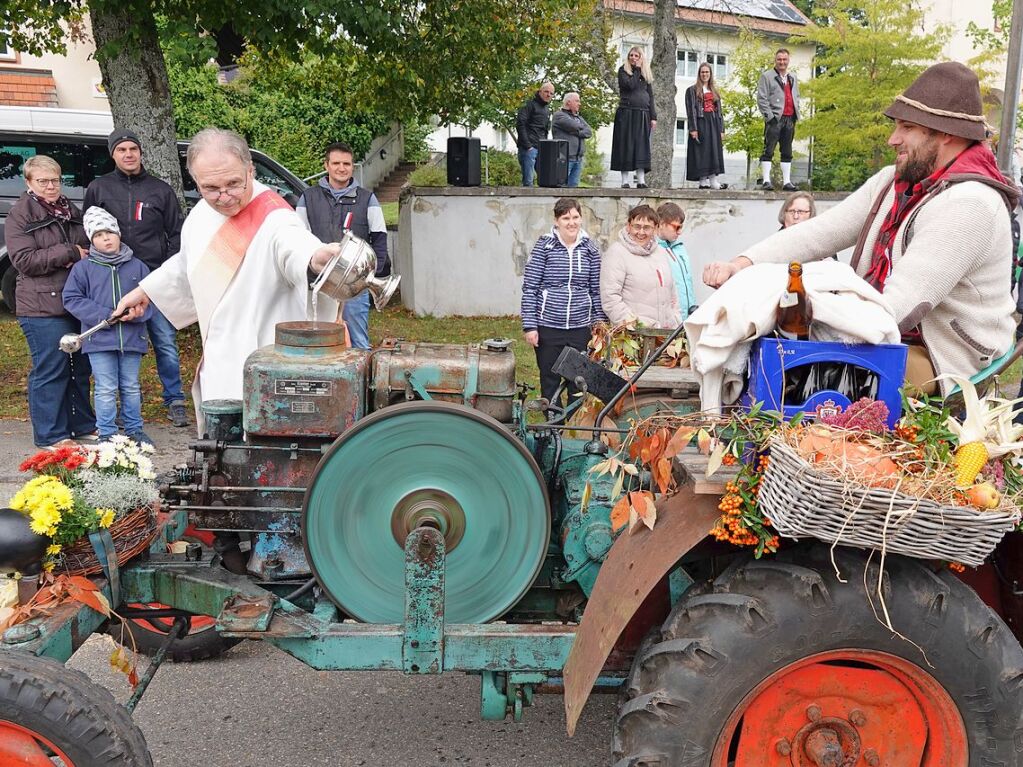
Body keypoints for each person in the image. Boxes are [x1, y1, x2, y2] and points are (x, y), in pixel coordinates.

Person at [704, 62, 1020, 396]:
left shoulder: (970, 204)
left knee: (820, 377)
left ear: (946, 134)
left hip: (946, 357)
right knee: (766, 352)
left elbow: (895, 308)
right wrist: (741, 264)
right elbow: (820, 232)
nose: (892, 139)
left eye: (907, 127)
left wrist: (809, 307)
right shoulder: (892, 181)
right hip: (890, 336)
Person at [111, 128, 342, 424]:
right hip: (220, 355)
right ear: (196, 181)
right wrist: (145, 292)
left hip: (265, 359)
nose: (224, 197)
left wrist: (315, 258)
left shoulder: (275, 216)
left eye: (233, 183)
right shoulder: (201, 215)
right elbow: (188, 264)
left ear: (250, 169)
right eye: (210, 188)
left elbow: (294, 246)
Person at [84, 129, 188, 427]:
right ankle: (117, 403)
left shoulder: (160, 189)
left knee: (165, 341)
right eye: (122, 150)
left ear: (141, 152)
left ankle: (175, 399)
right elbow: (89, 230)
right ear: (113, 154)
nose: (128, 154)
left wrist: (163, 269)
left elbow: (176, 233)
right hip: (113, 281)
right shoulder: (99, 188)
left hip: (154, 282)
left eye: (133, 149)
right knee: (114, 343)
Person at [4, 155, 96, 448]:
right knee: (51, 368)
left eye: (55, 180)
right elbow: (24, 260)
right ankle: (51, 434)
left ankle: (81, 425)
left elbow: (89, 245)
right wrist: (69, 253)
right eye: (43, 181)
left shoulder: (70, 209)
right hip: (40, 306)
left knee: (80, 367)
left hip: (75, 300)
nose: (51, 186)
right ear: (29, 183)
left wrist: (81, 253)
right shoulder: (21, 214)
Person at [63, 207, 153, 445]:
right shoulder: (83, 268)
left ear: (119, 234)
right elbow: (72, 299)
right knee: (105, 387)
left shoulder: (138, 266)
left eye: (110, 232)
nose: (106, 238)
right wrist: (106, 316)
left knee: (131, 386)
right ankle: (107, 433)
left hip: (132, 338)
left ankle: (134, 429)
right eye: (99, 235)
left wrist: (137, 313)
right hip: (99, 340)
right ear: (92, 239)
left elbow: (152, 297)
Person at [296, 142, 390, 350]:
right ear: (326, 165)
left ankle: (360, 380)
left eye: (346, 163)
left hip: (355, 287)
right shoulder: (308, 198)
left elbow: (380, 239)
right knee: (318, 341)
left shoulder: (368, 199)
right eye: (336, 163)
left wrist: (370, 278)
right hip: (319, 284)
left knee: (358, 342)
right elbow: (298, 239)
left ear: (352, 167)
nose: (341, 168)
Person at [521, 198, 605, 406]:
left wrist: (598, 324)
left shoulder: (590, 249)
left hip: (579, 328)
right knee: (550, 380)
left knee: (577, 382)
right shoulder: (544, 246)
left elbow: (595, 290)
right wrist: (530, 326)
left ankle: (573, 430)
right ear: (556, 220)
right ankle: (552, 430)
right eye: (566, 218)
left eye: (575, 217)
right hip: (548, 326)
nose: (571, 222)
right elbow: (530, 288)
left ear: (581, 218)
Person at [601, 204, 682, 327]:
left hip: (664, 335)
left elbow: (673, 293)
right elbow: (610, 298)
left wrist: (675, 320)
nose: (641, 232)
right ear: (628, 226)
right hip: (634, 335)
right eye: (637, 226)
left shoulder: (660, 252)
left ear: (655, 229)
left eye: (647, 227)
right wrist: (636, 325)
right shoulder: (616, 253)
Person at [611, 47, 656, 189]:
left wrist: (653, 116)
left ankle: (641, 180)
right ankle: (625, 181)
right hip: (626, 113)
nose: (633, 57)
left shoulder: (646, 75)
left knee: (641, 147)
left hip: (643, 114)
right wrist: (636, 70)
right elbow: (630, 86)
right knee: (625, 146)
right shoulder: (623, 71)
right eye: (631, 55)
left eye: (636, 55)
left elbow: (651, 96)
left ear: (641, 57)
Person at [756, 48, 800, 192]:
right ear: (775, 60)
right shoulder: (766, 76)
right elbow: (762, 98)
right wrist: (770, 117)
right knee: (768, 149)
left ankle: (786, 182)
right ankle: (766, 180)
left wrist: (795, 114)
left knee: (787, 151)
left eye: (784, 59)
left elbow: (796, 96)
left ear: (788, 61)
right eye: (779, 59)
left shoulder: (792, 77)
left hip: (790, 118)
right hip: (775, 119)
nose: (782, 62)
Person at [685, 62, 726, 189]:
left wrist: (721, 129)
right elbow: (691, 110)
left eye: (707, 72)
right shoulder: (691, 90)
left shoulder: (715, 91)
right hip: (700, 122)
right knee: (701, 152)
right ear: (699, 74)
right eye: (702, 72)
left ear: (710, 74)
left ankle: (713, 181)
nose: (705, 74)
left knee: (713, 151)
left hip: (713, 123)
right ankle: (703, 182)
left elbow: (719, 112)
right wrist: (693, 128)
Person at [656, 202, 696, 318]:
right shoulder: (653, 251)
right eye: (676, 227)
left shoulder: (680, 248)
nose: (680, 232)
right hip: (669, 321)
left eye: (681, 227)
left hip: (688, 317)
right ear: (662, 224)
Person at [516, 82, 554, 187]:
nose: (548, 95)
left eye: (551, 93)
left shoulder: (547, 109)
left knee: (545, 180)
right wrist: (528, 146)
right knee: (528, 181)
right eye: (546, 92)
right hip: (529, 148)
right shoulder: (529, 105)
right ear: (540, 91)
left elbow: (545, 130)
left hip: (540, 147)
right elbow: (520, 124)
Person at [552, 92, 593, 188]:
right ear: (568, 102)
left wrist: (577, 132)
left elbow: (589, 132)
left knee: (573, 189)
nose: (579, 104)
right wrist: (579, 129)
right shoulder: (559, 115)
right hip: (564, 159)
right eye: (577, 101)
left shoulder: (579, 117)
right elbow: (573, 126)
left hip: (578, 159)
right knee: (560, 188)